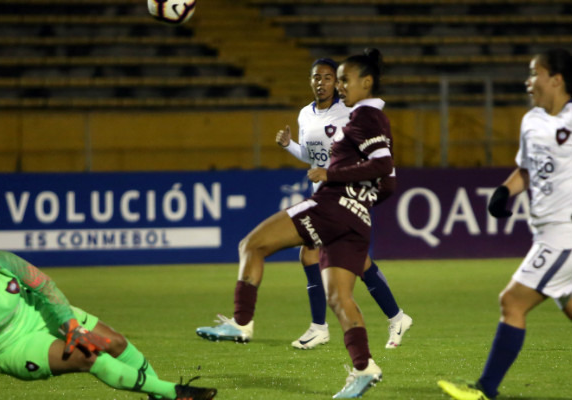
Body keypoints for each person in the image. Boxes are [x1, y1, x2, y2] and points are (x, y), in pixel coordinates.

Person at [196, 48, 393, 398]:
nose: (339, 85)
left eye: (344, 79)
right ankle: (364, 367)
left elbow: (380, 166)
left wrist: (333, 177)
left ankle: (241, 323)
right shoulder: (371, 119)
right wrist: (360, 199)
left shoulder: (360, 117)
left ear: (366, 82)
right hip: (356, 217)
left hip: (332, 206)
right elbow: (387, 181)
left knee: (251, 245)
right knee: (339, 296)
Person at [0, 230, 217, 400]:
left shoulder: (3, 261)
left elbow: (45, 287)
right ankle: (176, 393)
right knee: (89, 356)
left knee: (115, 343)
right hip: (13, 346)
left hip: (44, 312)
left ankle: (161, 395)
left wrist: (70, 326)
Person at [438, 49, 572, 400]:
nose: (528, 82)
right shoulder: (531, 121)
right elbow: (528, 169)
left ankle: (485, 389)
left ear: (556, 79)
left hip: (565, 233)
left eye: (534, 73)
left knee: (512, 301)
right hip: (545, 230)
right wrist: (505, 191)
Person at [275, 57, 412, 350]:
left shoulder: (348, 112)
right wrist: (290, 146)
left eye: (327, 78)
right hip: (321, 194)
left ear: (337, 84)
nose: (321, 83)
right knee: (357, 262)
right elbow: (314, 157)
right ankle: (396, 316)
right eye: (316, 77)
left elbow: (368, 151)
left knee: (309, 255)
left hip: (342, 196)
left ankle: (319, 327)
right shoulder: (304, 115)